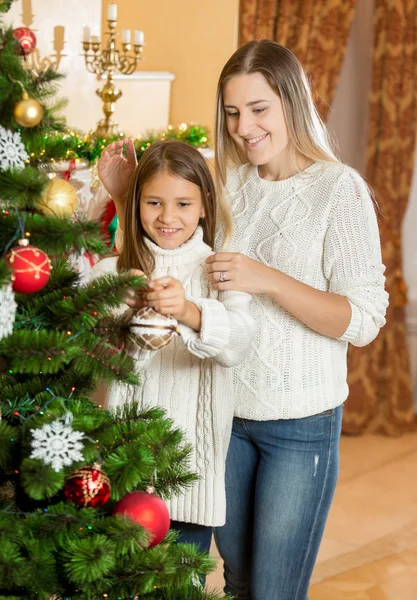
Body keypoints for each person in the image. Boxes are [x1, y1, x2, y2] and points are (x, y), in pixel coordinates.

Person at [97, 41, 389, 600]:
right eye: (232, 113)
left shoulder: (338, 190)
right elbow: (168, 247)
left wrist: (266, 278)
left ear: (292, 104)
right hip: (224, 418)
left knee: (274, 590)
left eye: (259, 109)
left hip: (299, 425)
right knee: (238, 582)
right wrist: (126, 196)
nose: (244, 127)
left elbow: (362, 320)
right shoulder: (227, 183)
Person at [91, 140, 255, 561]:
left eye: (183, 203)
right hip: (118, 475)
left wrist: (187, 311)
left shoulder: (219, 271)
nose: (167, 216)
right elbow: (89, 357)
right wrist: (123, 312)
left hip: (189, 485)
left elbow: (237, 343)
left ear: (204, 206)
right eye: (153, 202)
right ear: (136, 204)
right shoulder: (111, 272)